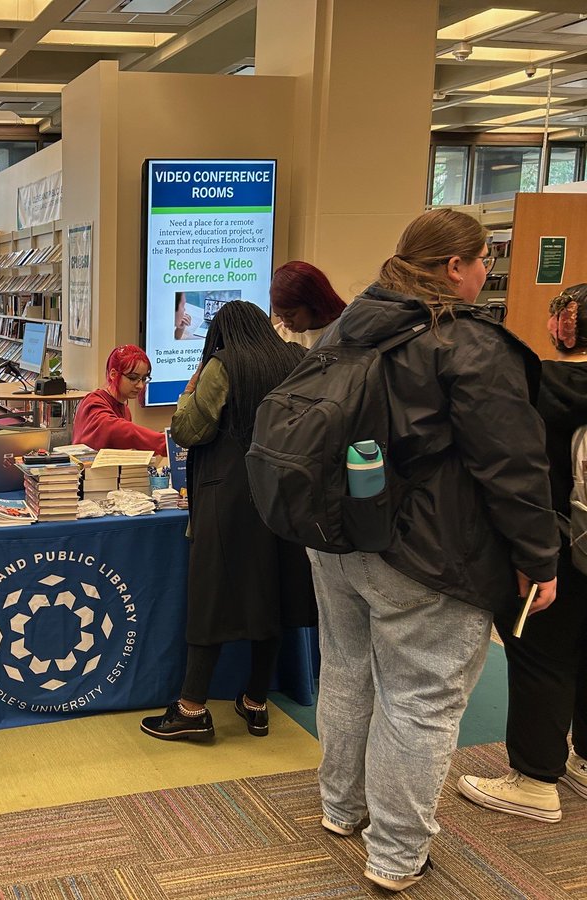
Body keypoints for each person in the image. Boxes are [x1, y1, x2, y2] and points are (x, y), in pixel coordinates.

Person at [304, 208, 558, 892]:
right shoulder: (468, 346)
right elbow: (513, 465)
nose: (485, 274)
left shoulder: (347, 326)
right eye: (481, 262)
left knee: (347, 672)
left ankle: (341, 807)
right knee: (421, 702)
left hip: (334, 538)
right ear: (454, 268)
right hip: (428, 553)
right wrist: (540, 558)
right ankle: (395, 856)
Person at [142, 302, 314, 743]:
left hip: (229, 494)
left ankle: (192, 708)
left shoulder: (224, 365)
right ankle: (256, 703)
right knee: (273, 595)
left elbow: (187, 430)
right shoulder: (295, 359)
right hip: (282, 496)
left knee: (212, 598)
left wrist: (188, 391)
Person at [457, 283, 587, 823]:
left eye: (562, 314)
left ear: (567, 324)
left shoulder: (541, 385)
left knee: (542, 656)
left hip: (560, 547)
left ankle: (535, 780)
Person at [71, 344, 166, 453]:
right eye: (133, 378)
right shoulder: (93, 402)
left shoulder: (125, 410)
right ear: (113, 374)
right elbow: (114, 429)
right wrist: (161, 441)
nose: (140, 385)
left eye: (144, 379)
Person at [269, 260, 347, 349]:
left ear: (313, 303)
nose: (286, 323)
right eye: (279, 315)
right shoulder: (275, 336)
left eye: (290, 314)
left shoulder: (347, 335)